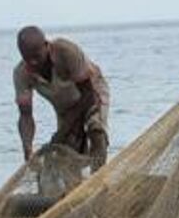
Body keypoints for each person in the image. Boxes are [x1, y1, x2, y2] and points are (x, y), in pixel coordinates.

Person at [15, 27, 111, 168]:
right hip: (65, 107)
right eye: (27, 58)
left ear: (46, 46)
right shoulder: (21, 73)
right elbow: (25, 115)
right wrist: (27, 148)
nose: (33, 62)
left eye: (37, 56)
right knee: (68, 148)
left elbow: (88, 95)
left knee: (96, 130)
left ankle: (98, 178)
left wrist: (64, 131)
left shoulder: (66, 52)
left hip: (91, 93)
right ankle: (77, 187)